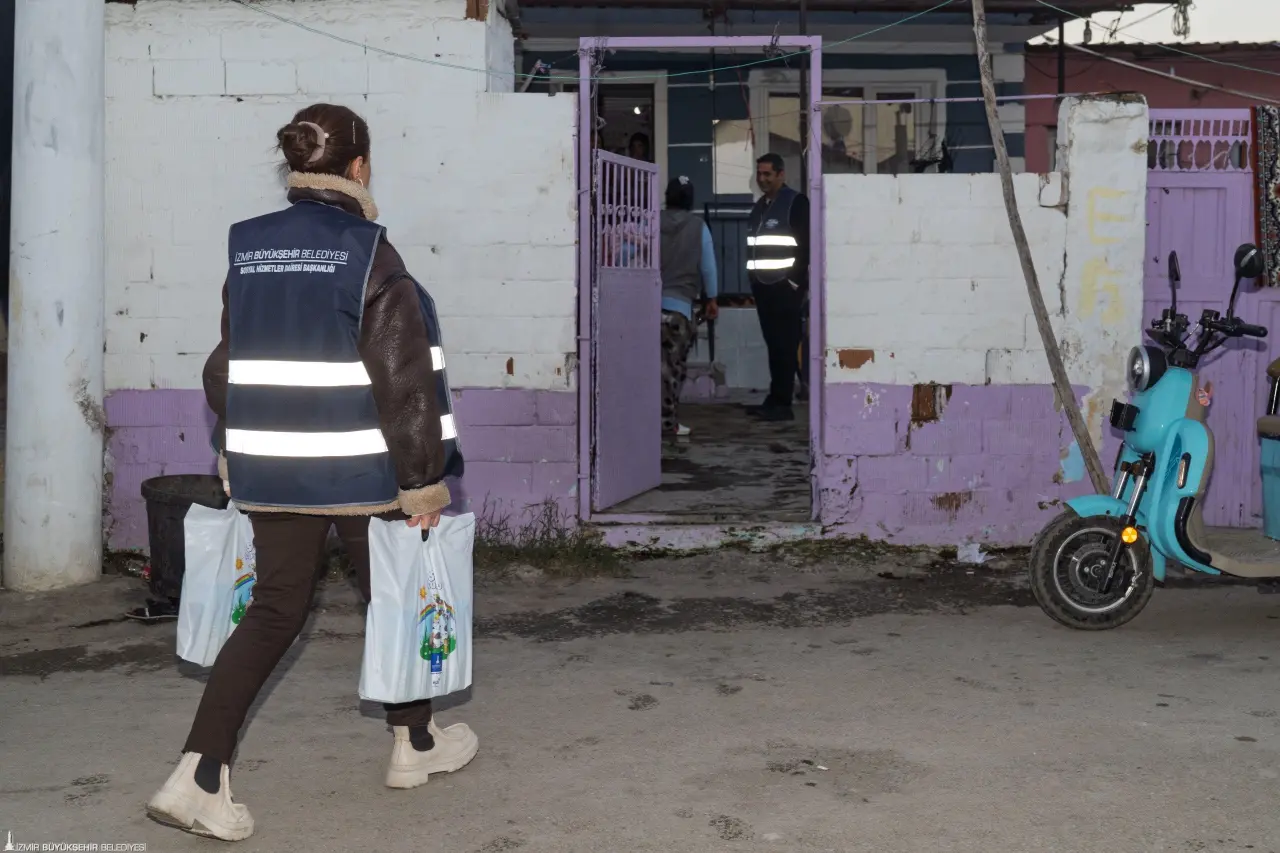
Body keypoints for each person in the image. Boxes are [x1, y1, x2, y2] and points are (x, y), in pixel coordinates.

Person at [146, 103, 478, 842]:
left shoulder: (248, 246)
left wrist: (235, 448)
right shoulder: (371, 253)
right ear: (359, 167)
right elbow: (405, 382)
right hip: (363, 474)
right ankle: (413, 745)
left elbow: (227, 363)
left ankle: (200, 773)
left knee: (273, 610)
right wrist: (423, 483)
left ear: (296, 167)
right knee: (395, 595)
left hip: (274, 472)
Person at [745, 153, 809, 422]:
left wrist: (793, 282)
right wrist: (753, 281)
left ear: (781, 175)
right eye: (759, 174)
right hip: (763, 287)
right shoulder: (760, 206)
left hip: (784, 288)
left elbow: (806, 246)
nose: (762, 179)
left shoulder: (795, 203)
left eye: (767, 174)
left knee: (785, 345)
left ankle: (782, 403)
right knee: (774, 344)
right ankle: (775, 399)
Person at [659, 176, 718, 437]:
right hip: (679, 311)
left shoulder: (650, 222)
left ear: (667, 197)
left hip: (646, 306)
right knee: (672, 369)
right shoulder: (699, 227)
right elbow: (708, 267)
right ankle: (667, 423)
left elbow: (627, 252)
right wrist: (712, 298)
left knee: (645, 366)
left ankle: (640, 421)